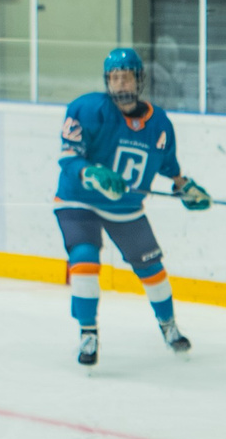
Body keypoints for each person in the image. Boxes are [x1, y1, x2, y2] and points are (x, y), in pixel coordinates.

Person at [54, 46, 210, 367]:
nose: (120, 84)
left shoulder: (160, 123)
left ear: (140, 80)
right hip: (78, 199)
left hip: (126, 206)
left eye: (126, 77)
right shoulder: (86, 109)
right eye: (114, 78)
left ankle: (169, 327)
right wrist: (90, 172)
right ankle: (88, 334)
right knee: (84, 259)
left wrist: (186, 188)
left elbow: (169, 166)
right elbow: (68, 157)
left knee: (151, 268)